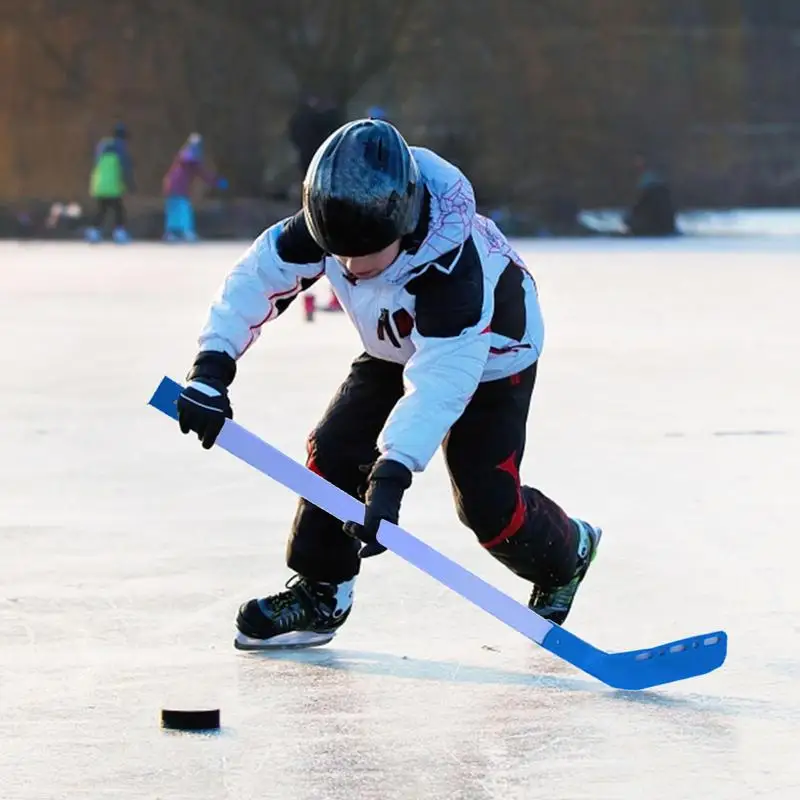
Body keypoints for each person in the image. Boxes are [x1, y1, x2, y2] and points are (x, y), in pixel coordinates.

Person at [175, 119, 602, 650]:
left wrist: (394, 470)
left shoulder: (453, 273)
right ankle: (320, 592)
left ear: (402, 226)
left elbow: (443, 381)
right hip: (393, 348)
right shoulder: (333, 221)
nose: (349, 269)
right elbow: (256, 279)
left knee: (488, 507)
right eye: (338, 254)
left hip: (491, 362)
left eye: (364, 255)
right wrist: (212, 370)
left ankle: (568, 554)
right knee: (333, 451)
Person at [162, 133, 227, 242]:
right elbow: (203, 173)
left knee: (175, 209)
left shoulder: (182, 156)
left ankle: (172, 232)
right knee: (183, 209)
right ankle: (184, 232)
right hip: (178, 188)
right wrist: (216, 181)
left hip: (172, 185)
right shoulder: (190, 159)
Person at [85, 123, 134, 243]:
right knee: (119, 210)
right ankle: (119, 233)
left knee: (102, 209)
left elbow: (97, 165)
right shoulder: (120, 147)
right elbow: (125, 168)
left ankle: (94, 232)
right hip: (113, 186)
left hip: (99, 184)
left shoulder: (102, 146)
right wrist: (130, 184)